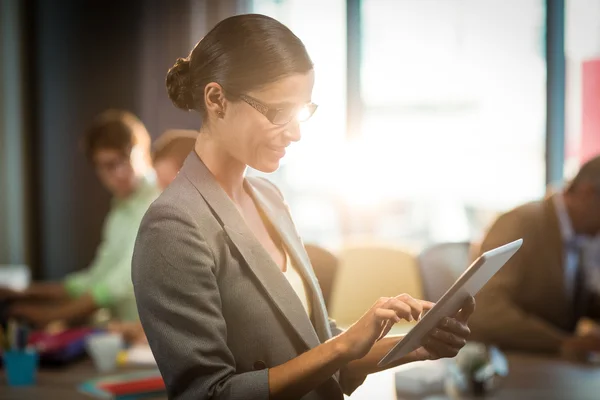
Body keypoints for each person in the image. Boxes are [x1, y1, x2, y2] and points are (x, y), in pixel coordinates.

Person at [132, 14, 474, 400]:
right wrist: (343, 344)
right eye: (279, 113)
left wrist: (414, 346)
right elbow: (208, 394)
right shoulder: (173, 226)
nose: (295, 133)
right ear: (216, 99)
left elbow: (314, 350)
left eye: (301, 112)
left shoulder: (268, 197)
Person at [1, 110, 160, 329]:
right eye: (106, 166)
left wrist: (51, 314)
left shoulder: (161, 200)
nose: (118, 173)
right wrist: (26, 292)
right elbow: (98, 277)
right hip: (129, 335)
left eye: (124, 160)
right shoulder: (120, 211)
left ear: (143, 152)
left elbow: (124, 280)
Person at [470, 155, 600, 360]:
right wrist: (562, 342)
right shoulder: (520, 223)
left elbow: (573, 301)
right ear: (587, 194)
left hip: (552, 368)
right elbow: (486, 307)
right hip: (510, 365)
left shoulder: (580, 234)